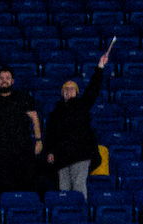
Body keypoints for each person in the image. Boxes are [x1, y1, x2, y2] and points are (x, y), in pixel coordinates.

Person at [43, 47, 111, 195]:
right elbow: (50, 134)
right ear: (62, 93)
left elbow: (93, 89)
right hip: (62, 156)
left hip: (81, 154)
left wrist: (100, 67)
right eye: (65, 89)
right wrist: (50, 151)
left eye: (72, 89)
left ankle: (80, 216)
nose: (68, 91)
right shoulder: (55, 113)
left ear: (77, 92)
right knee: (64, 189)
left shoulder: (82, 105)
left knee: (79, 187)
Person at [0, 67, 42, 199]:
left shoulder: (23, 98)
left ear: (12, 81)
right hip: (0, 152)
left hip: (23, 151)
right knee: (2, 188)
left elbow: (34, 118)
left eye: (7, 78)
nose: (4, 81)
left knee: (25, 186)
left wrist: (39, 140)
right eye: (1, 78)